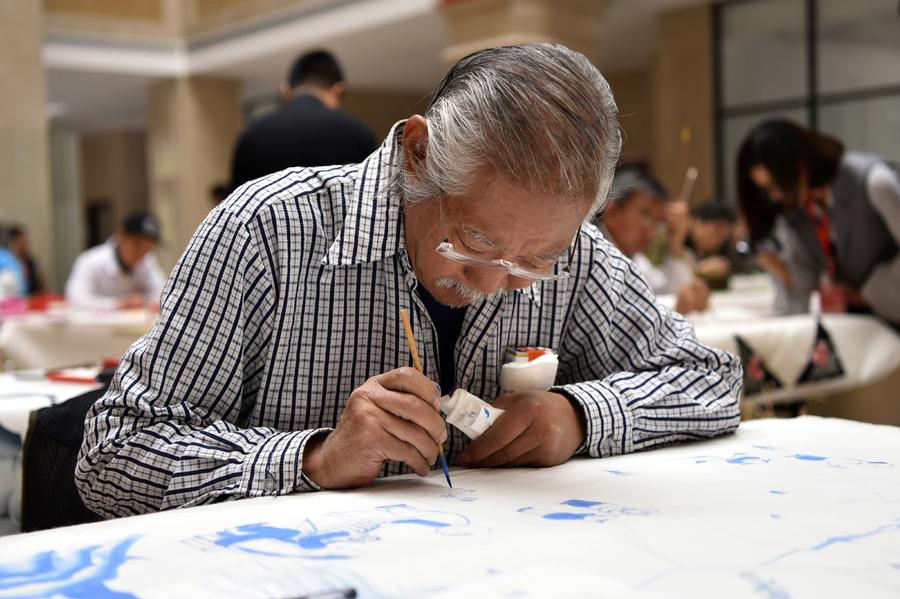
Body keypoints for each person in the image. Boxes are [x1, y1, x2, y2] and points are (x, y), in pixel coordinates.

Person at [77, 44, 742, 518]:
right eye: (474, 241)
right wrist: (312, 458)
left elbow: (708, 378)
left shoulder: (577, 254)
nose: (491, 282)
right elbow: (113, 457)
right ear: (418, 153)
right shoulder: (266, 233)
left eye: (537, 260)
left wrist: (578, 414)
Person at [737, 119, 900, 324]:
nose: (776, 196)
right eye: (766, 190)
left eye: (777, 183)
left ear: (799, 162)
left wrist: (868, 293)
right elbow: (805, 283)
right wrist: (769, 260)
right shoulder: (795, 211)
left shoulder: (875, 182)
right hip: (861, 326)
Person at [230, 49, 377, 190]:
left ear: (286, 90)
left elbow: (234, 203)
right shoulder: (357, 132)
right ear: (338, 90)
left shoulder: (252, 134)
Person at [597, 165, 710, 314]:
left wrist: (675, 245)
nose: (653, 231)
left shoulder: (635, 258)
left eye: (658, 221)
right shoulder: (592, 252)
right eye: (645, 214)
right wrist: (676, 306)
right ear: (610, 212)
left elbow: (664, 292)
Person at [65, 212, 166, 310]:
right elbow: (75, 299)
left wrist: (144, 301)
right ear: (120, 235)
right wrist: (117, 304)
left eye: (147, 249)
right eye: (137, 246)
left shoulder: (147, 261)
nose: (141, 254)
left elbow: (162, 293)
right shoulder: (90, 261)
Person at [7, 225, 45, 295]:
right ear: (13, 244)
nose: (26, 246)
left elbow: (40, 286)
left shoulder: (32, 261)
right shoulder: (7, 263)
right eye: (22, 243)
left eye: (27, 242)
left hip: (33, 299)